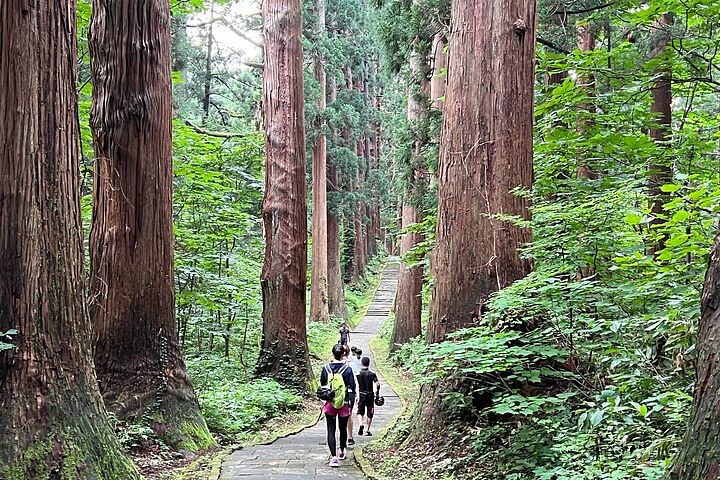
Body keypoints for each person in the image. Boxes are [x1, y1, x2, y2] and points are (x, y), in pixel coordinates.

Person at [320, 343, 356, 467]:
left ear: (332, 353)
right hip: (343, 403)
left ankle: (333, 457)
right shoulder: (347, 369)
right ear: (343, 354)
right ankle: (341, 450)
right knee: (342, 428)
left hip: (329, 403)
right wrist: (353, 399)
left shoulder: (326, 368)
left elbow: (322, 385)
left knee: (330, 429)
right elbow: (352, 386)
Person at [356, 356, 380, 436]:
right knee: (370, 412)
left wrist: (357, 395)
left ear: (362, 363)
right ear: (369, 364)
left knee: (360, 411)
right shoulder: (372, 374)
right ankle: (367, 430)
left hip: (361, 394)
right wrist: (377, 393)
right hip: (370, 395)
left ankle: (361, 424)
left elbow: (357, 385)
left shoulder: (358, 374)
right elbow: (377, 384)